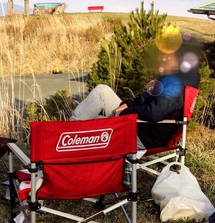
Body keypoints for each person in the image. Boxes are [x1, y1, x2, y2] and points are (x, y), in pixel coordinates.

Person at [70, 28, 200, 151]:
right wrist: (128, 103)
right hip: (139, 127)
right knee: (102, 92)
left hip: (142, 135)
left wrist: (125, 112)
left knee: (91, 121)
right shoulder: (176, 77)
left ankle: (64, 137)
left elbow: (154, 112)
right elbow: (147, 96)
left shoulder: (175, 84)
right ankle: (67, 134)